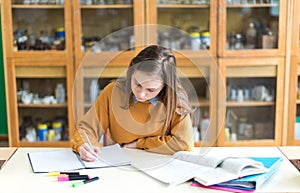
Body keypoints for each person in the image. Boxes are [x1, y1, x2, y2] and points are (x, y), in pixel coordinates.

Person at [71, 45, 197, 162]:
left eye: (151, 90)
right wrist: (84, 145)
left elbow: (184, 144)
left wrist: (139, 144)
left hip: (161, 167)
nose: (141, 94)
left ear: (165, 86)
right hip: (120, 163)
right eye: (137, 83)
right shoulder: (113, 92)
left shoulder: (175, 100)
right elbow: (87, 129)